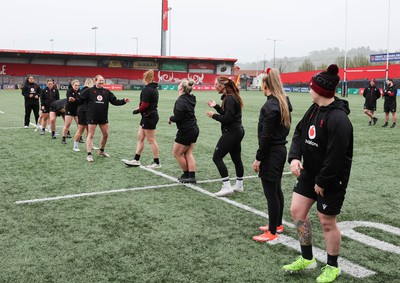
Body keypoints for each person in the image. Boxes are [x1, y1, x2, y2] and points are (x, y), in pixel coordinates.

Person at [282, 64, 353, 283]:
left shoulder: (339, 120)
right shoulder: (313, 109)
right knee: (297, 212)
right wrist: (294, 157)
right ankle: (307, 258)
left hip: (330, 178)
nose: (309, 89)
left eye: (311, 86)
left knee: (326, 222)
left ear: (320, 90)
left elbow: (336, 156)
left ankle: (333, 266)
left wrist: (322, 181)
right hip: (310, 173)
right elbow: (299, 133)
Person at [252, 68, 292, 242]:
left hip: (271, 153)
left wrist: (258, 158)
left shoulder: (270, 105)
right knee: (276, 190)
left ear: (266, 84)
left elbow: (266, 136)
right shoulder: (282, 101)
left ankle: (272, 231)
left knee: (271, 192)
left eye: (261, 82)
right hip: (279, 150)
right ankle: (277, 225)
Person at [206, 76, 245, 197]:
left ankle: (227, 186)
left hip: (232, 132)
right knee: (236, 158)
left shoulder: (229, 99)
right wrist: (216, 106)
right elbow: (228, 114)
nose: (214, 87)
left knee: (216, 158)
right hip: (237, 131)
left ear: (222, 86)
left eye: (216, 85)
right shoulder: (232, 97)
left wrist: (213, 115)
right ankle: (239, 185)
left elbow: (227, 118)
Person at [80, 74, 130, 162]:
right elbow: (80, 100)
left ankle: (101, 151)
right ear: (95, 81)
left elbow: (114, 101)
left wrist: (123, 101)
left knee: (106, 135)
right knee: (90, 135)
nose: (101, 82)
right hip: (92, 116)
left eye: (102, 80)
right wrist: (73, 101)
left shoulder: (107, 92)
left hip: (103, 117)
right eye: (100, 80)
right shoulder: (89, 91)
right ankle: (89, 154)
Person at [124, 70, 161, 168]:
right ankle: (136, 159)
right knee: (140, 137)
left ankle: (157, 162)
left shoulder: (147, 89)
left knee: (151, 140)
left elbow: (145, 105)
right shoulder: (153, 89)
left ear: (146, 78)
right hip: (147, 116)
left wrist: (137, 111)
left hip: (149, 116)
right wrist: (140, 110)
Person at [168, 78, 199, 183]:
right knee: (188, 153)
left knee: (177, 153)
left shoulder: (181, 100)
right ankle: (191, 176)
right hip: (194, 128)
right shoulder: (191, 98)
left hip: (186, 130)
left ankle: (186, 175)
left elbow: (178, 117)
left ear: (181, 88)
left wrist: (171, 119)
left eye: (179, 84)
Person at [72, 78, 94, 152]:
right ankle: (75, 146)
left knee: (89, 130)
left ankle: (90, 145)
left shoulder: (83, 90)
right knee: (81, 129)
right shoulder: (87, 90)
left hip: (87, 111)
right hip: (83, 111)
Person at [61, 80, 80, 144]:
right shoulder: (69, 91)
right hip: (69, 109)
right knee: (67, 124)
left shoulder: (80, 91)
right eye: (75, 85)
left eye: (78, 85)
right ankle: (63, 138)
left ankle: (80, 137)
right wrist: (74, 100)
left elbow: (80, 100)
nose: (77, 87)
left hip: (77, 109)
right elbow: (70, 99)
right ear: (72, 85)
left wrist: (75, 100)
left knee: (79, 124)